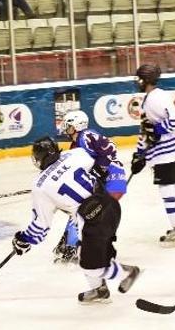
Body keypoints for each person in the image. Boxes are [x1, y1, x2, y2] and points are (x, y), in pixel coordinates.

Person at [12, 136, 140, 304]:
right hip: (110, 205)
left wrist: (24, 239)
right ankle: (99, 290)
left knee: (90, 265)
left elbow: (40, 227)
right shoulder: (76, 154)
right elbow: (103, 159)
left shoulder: (40, 186)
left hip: (94, 220)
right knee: (84, 252)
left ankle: (127, 273)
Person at [130, 64, 175, 247]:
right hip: (174, 152)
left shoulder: (153, 99)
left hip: (164, 154)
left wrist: (157, 131)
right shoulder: (158, 95)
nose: (137, 82)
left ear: (145, 80)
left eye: (139, 79)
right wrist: (139, 153)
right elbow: (147, 131)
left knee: (168, 191)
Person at [52, 110, 128, 264]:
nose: (67, 129)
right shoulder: (76, 143)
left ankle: (79, 247)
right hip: (107, 179)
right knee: (88, 211)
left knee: (91, 212)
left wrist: (99, 169)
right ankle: (73, 244)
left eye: (69, 126)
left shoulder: (86, 136)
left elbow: (110, 149)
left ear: (77, 125)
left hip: (113, 177)